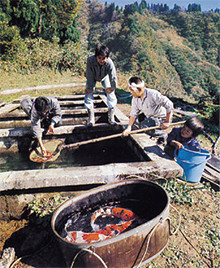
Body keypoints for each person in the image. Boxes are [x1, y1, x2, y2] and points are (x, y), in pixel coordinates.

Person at [122, 76, 173, 144]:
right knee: (135, 122)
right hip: (149, 116)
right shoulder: (135, 98)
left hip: (161, 119)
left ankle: (162, 135)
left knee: (144, 127)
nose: (131, 92)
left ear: (139, 89)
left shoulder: (152, 94)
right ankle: (151, 130)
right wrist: (129, 128)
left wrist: (167, 121)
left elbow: (169, 104)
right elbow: (133, 114)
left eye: (132, 90)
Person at [84, 44, 117, 126]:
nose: (102, 60)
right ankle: (91, 120)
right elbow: (89, 75)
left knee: (111, 95)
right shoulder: (90, 60)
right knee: (88, 95)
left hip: (105, 77)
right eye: (99, 58)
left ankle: (111, 118)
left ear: (107, 57)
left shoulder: (109, 63)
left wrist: (112, 88)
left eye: (104, 58)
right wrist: (90, 88)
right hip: (93, 77)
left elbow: (113, 76)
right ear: (96, 56)